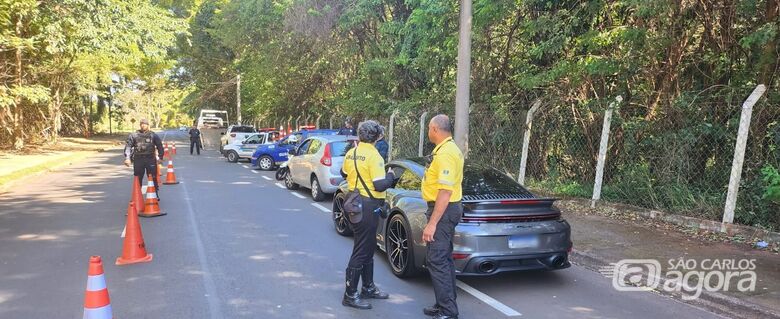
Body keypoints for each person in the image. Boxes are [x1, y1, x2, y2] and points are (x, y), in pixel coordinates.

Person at [339, 120, 397, 310]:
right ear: (378, 136)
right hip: (369, 204)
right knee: (362, 249)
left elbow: (344, 173)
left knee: (368, 245)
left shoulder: (351, 152)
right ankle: (350, 294)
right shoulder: (375, 156)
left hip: (353, 202)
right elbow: (379, 184)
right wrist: (391, 176)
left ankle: (368, 287)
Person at [421, 114, 464, 319]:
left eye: (429, 128)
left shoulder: (446, 154)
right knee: (443, 259)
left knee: (437, 259)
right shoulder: (445, 150)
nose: (428, 132)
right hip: (446, 210)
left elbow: (445, 192)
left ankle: (448, 311)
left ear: (435, 130)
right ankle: (443, 305)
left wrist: (432, 224)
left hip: (443, 211)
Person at [124, 119, 165, 200]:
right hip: (138, 160)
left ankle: (155, 194)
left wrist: (160, 157)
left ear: (148, 125)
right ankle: (137, 196)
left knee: (153, 177)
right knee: (138, 178)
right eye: (142, 124)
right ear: (140, 125)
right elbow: (128, 147)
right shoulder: (134, 135)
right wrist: (127, 158)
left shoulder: (153, 135)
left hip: (150, 159)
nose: (143, 125)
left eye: (145, 124)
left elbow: (160, 146)